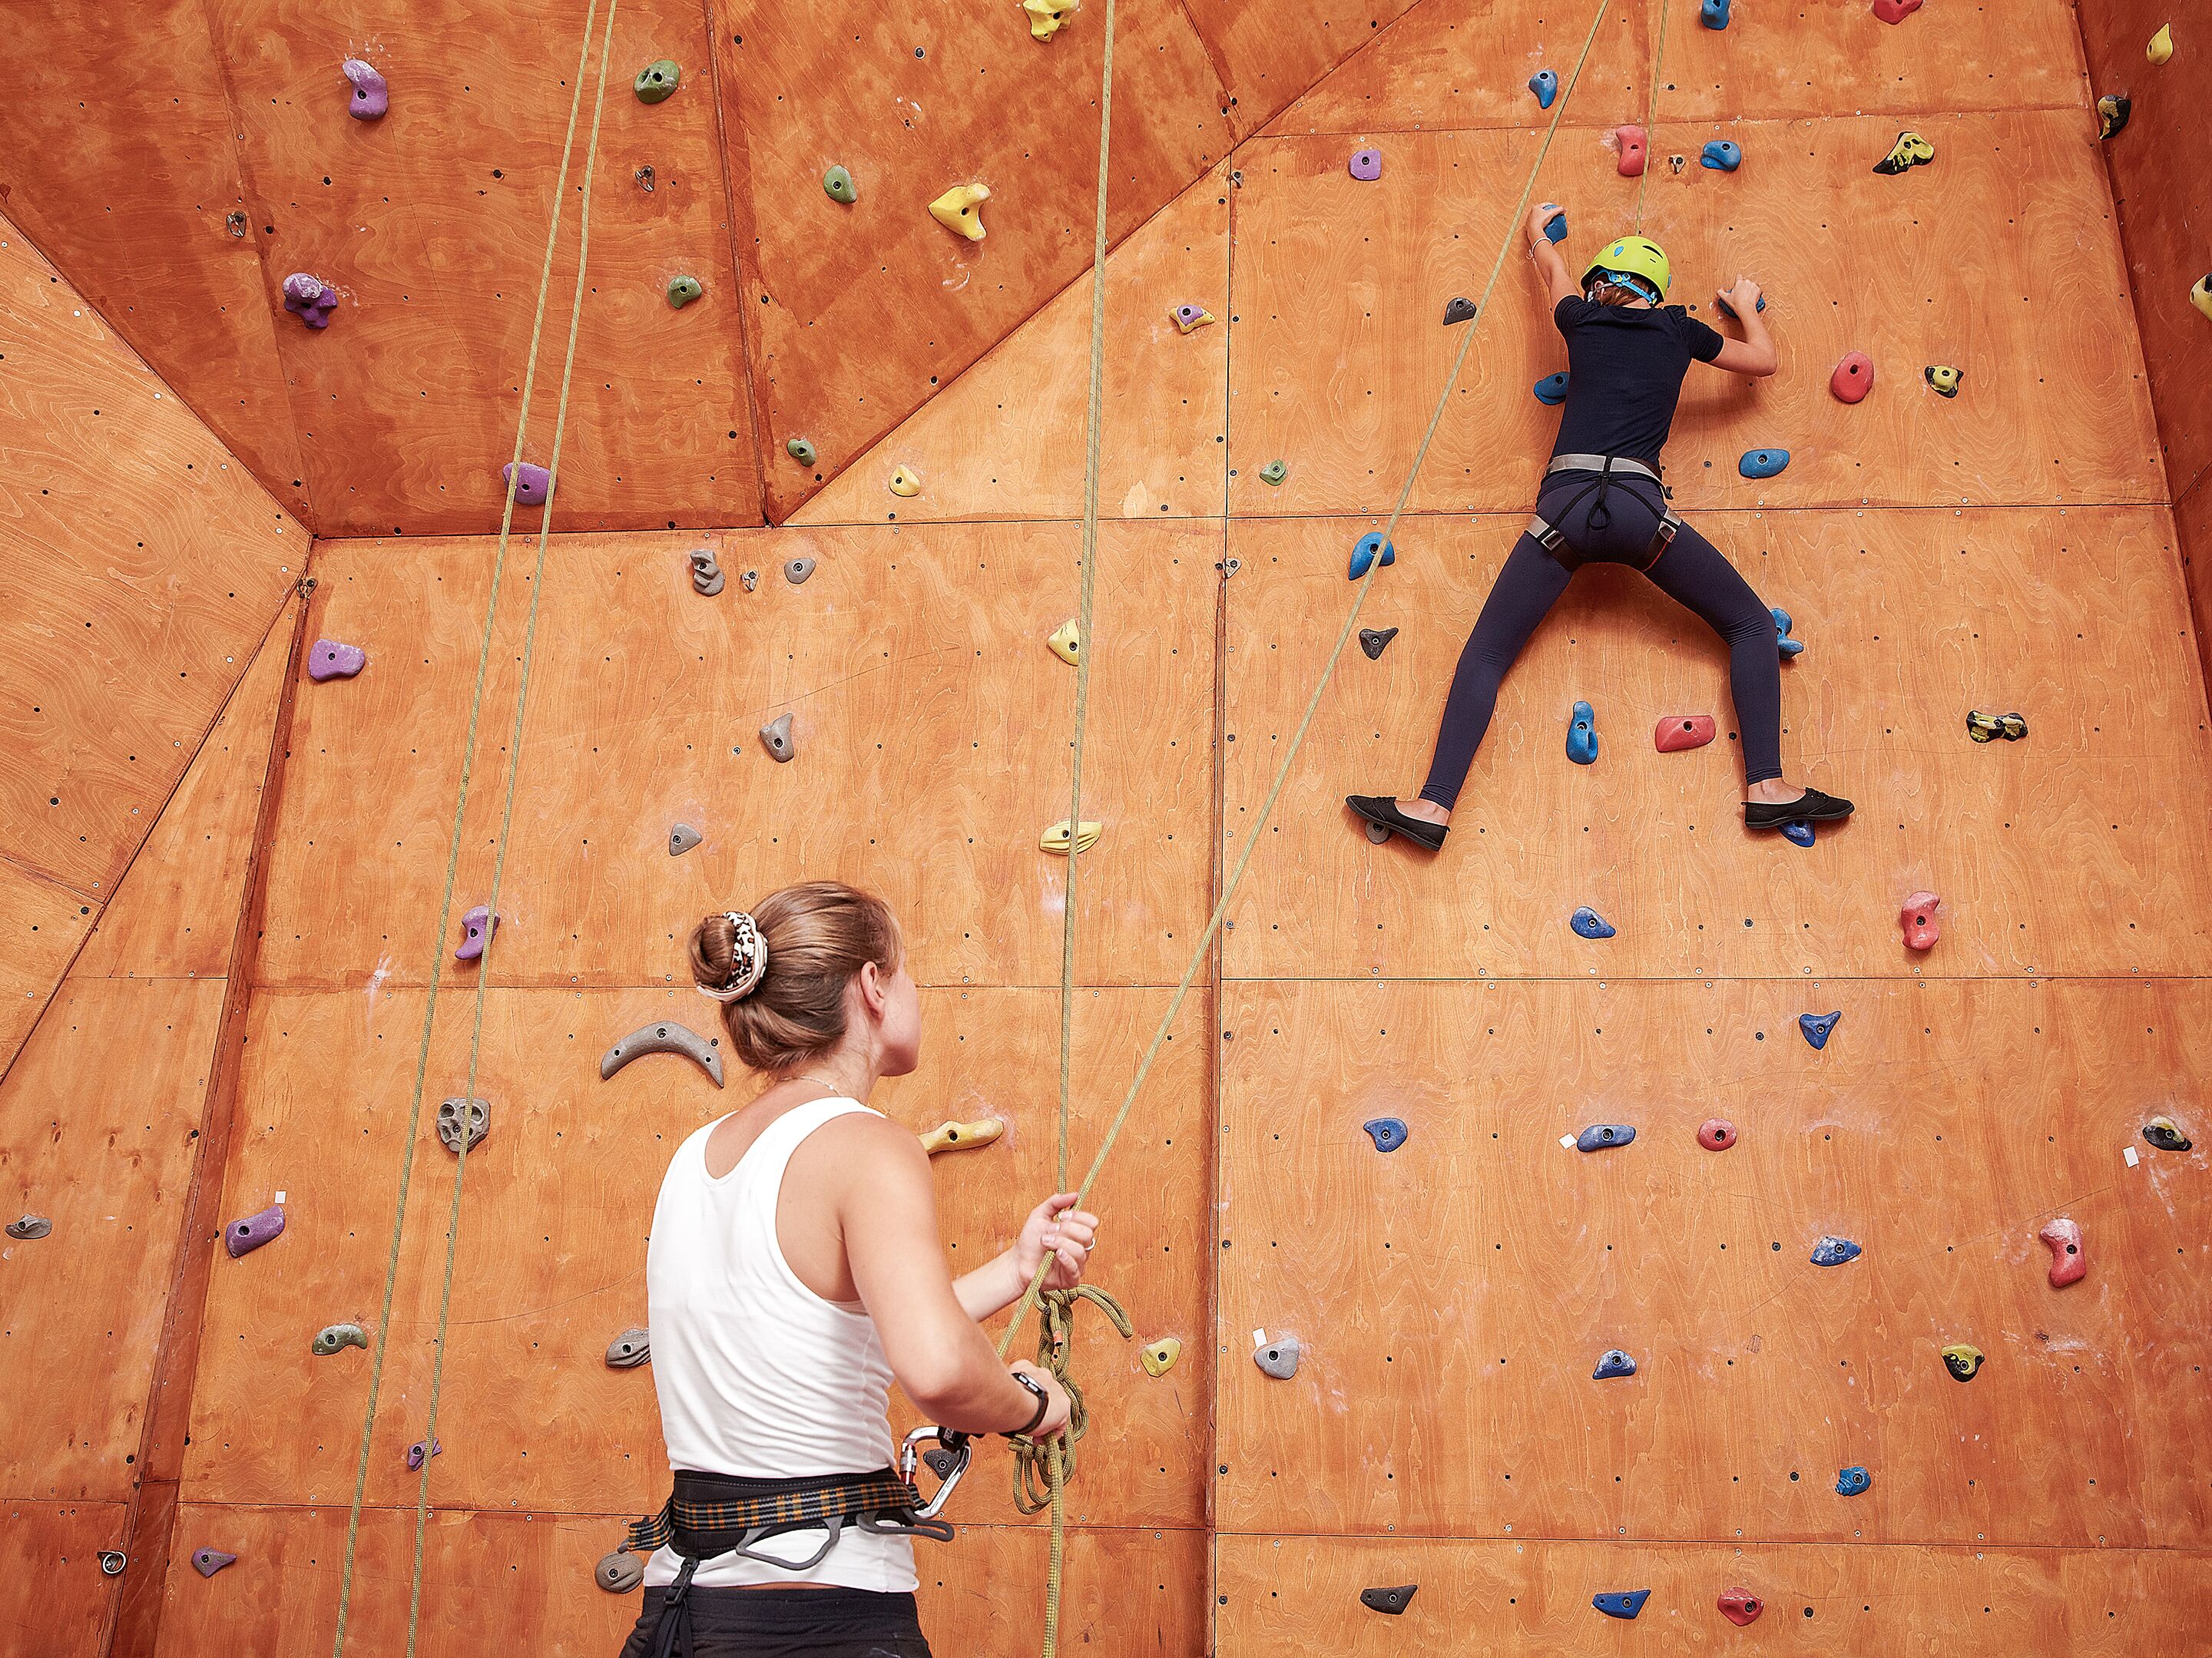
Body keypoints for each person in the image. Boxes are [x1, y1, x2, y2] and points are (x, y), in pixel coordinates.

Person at [618, 881, 1099, 1658]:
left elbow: (824, 1320)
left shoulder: (697, 1157)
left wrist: (1014, 1269)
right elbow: (939, 1368)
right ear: (873, 986)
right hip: (820, 1616)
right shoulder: (868, 1142)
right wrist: (1032, 1404)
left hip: (685, 1609)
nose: (914, 992)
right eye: (905, 972)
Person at [1347, 204, 1853, 851]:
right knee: (1751, 624)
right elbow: (1763, 361)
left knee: (1488, 653)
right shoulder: (1679, 328)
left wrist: (1537, 232)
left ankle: (1433, 806)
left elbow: (1552, 271)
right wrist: (1747, 303)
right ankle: (1767, 788)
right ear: (1657, 291)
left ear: (1603, 281)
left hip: (1564, 507)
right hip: (1643, 513)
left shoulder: (1579, 318)